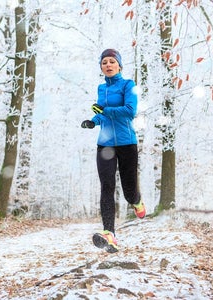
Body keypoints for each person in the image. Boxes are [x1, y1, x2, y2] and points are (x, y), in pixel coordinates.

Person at [81, 49, 146, 253]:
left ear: (119, 65)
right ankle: (109, 234)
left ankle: (136, 200)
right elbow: (101, 113)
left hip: (127, 143)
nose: (108, 65)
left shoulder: (129, 85)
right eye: (104, 63)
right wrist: (93, 121)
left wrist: (105, 111)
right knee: (106, 186)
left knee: (128, 191)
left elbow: (129, 112)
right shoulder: (102, 88)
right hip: (105, 144)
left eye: (112, 62)